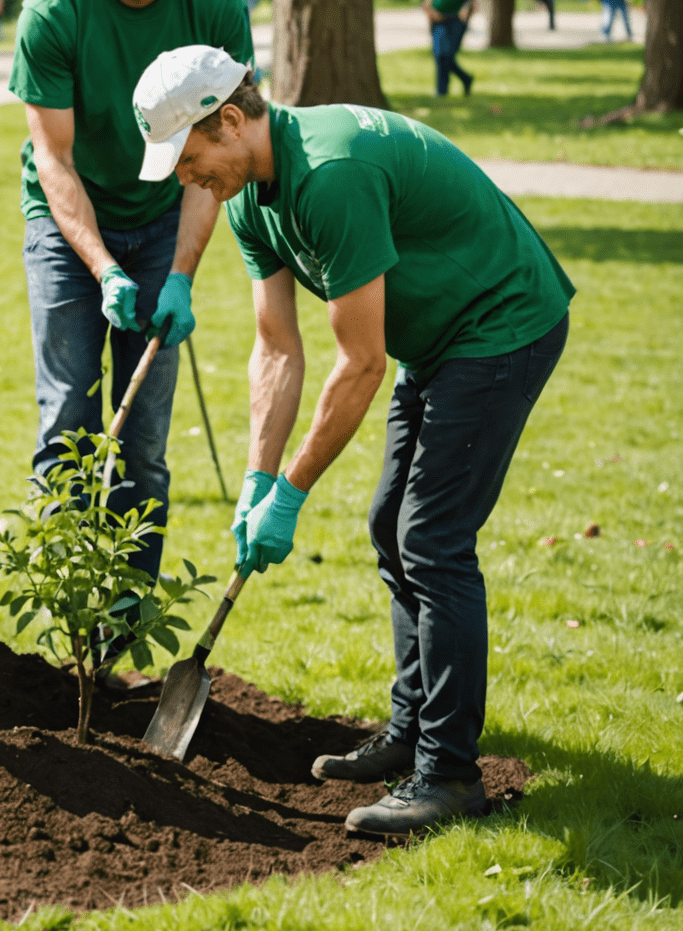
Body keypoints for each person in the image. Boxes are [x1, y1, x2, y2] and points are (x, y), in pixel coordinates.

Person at [138, 45, 573, 834]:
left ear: (231, 121)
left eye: (190, 157)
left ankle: (448, 775)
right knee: (390, 529)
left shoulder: (331, 174)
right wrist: (255, 481)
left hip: (500, 324)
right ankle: (411, 732)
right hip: (438, 339)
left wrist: (293, 494)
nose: (184, 177)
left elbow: (361, 363)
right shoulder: (248, 196)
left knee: (433, 539)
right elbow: (276, 349)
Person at [8, 0, 252, 684]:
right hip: (68, 221)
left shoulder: (217, 9)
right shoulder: (55, 10)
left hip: (164, 216)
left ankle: (120, 640)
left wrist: (177, 273)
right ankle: (63, 638)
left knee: (142, 445)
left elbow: (214, 158)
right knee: (66, 426)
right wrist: (103, 268)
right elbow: (53, 160)